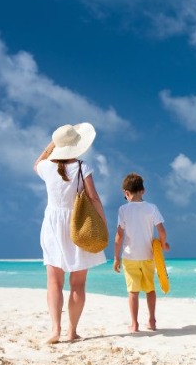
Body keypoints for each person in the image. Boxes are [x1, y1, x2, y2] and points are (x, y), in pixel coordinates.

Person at [34, 123, 107, 344]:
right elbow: (93, 198)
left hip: (53, 225)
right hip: (79, 224)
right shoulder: (82, 167)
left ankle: (55, 330)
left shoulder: (46, 167)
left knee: (54, 282)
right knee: (78, 283)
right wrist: (102, 222)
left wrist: (52, 144)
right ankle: (72, 331)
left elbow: (37, 163)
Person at [113, 173, 169, 332]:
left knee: (133, 291)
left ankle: (134, 324)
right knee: (150, 289)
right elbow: (162, 230)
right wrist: (163, 244)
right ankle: (152, 321)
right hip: (148, 255)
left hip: (130, 256)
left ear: (126, 192)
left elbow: (119, 236)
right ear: (143, 190)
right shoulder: (152, 208)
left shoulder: (123, 210)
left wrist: (116, 257)